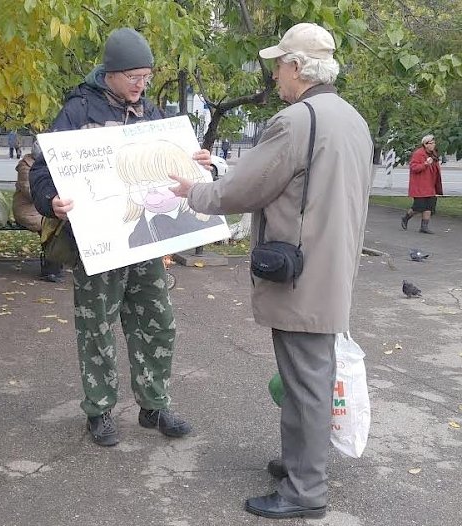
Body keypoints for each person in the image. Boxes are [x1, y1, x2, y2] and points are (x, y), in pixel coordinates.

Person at [170, 22, 374, 519]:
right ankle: (299, 465)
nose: (275, 72)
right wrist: (220, 168)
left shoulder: (296, 120)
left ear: (298, 68)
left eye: (279, 63)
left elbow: (245, 192)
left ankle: (305, 491)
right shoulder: (351, 119)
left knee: (305, 383)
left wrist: (192, 191)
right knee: (307, 377)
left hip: (299, 275)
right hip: (331, 268)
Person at [30, 27, 212, 447]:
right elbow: (40, 171)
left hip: (143, 245)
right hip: (98, 246)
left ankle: (154, 404)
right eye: (134, 76)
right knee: (96, 328)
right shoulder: (77, 111)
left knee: (157, 321)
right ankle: (99, 411)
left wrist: (196, 161)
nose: (141, 84)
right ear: (110, 72)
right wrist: (50, 199)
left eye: (146, 77)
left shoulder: (149, 112)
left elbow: (167, 165)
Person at [115, 140, 223, 248]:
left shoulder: (208, 224)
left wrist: (201, 165)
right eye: (138, 182)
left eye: (160, 180)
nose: (151, 189)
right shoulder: (127, 235)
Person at [12, 152, 64, 282]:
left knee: (59, 225)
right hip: (27, 209)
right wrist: (52, 194)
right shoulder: (25, 167)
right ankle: (50, 269)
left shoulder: (52, 162)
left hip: (46, 208)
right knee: (49, 227)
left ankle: (55, 264)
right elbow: (30, 192)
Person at [400, 134, 443, 234]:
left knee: (429, 206)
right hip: (420, 185)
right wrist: (425, 164)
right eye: (431, 143)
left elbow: (435, 166)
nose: (434, 145)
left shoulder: (434, 154)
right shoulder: (418, 154)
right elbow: (414, 168)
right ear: (425, 144)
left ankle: (424, 227)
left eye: (434, 143)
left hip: (430, 185)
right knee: (418, 207)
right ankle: (405, 218)